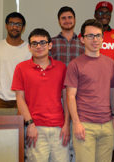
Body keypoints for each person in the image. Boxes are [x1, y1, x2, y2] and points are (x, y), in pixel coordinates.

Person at [12, 28, 69, 162]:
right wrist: (30, 124)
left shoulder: (61, 67)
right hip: (35, 128)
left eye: (43, 43)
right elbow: (20, 99)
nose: (39, 46)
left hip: (59, 129)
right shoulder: (21, 68)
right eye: (34, 43)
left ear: (50, 45)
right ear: (29, 47)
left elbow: (66, 98)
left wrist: (67, 124)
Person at [65, 19, 114, 162]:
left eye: (98, 35)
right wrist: (76, 123)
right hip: (84, 125)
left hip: (107, 125)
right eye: (90, 36)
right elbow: (70, 96)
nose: (95, 39)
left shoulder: (111, 64)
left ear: (102, 38)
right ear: (82, 39)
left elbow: (112, 92)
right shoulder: (75, 65)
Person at [0, 12, 31, 108]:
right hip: (0, 99)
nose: (15, 27)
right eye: (11, 24)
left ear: (23, 27)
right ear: (6, 26)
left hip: (22, 99)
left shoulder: (30, 49)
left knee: (23, 123)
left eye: (18, 24)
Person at [94, 1, 114, 68]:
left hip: (112, 76)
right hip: (90, 75)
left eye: (107, 13)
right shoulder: (86, 34)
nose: (104, 16)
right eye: (101, 12)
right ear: (95, 15)